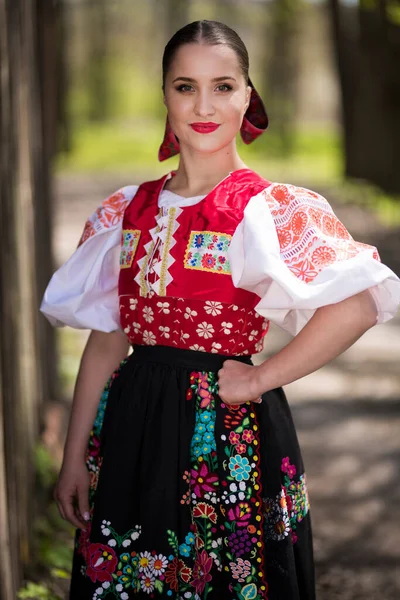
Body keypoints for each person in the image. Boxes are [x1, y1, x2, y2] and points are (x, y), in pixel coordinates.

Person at [40, 20, 400, 600]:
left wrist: (261, 376)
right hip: (134, 432)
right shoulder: (127, 211)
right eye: (185, 87)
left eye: (223, 86)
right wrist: (73, 456)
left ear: (247, 96)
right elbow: (109, 338)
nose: (204, 105)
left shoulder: (266, 209)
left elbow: (357, 304)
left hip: (229, 435)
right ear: (165, 95)